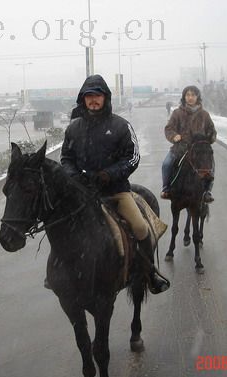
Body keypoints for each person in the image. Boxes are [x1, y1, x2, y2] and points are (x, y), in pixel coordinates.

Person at [61, 74, 170, 294]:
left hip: (115, 192)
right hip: (83, 195)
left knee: (140, 227)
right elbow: (66, 159)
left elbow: (133, 157)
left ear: (105, 98)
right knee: (62, 229)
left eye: (97, 95)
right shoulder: (73, 128)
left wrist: (108, 175)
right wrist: (75, 177)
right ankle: (60, 273)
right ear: (83, 99)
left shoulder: (121, 126)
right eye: (88, 96)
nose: (93, 100)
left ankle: (150, 273)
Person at [161, 85, 216, 202]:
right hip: (180, 147)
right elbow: (168, 129)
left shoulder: (204, 115)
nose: (190, 97)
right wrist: (174, 136)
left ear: (197, 97)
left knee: (211, 166)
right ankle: (166, 188)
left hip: (199, 150)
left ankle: (207, 191)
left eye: (193, 95)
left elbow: (212, 131)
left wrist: (208, 139)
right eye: (188, 95)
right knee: (166, 164)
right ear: (184, 97)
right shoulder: (177, 113)